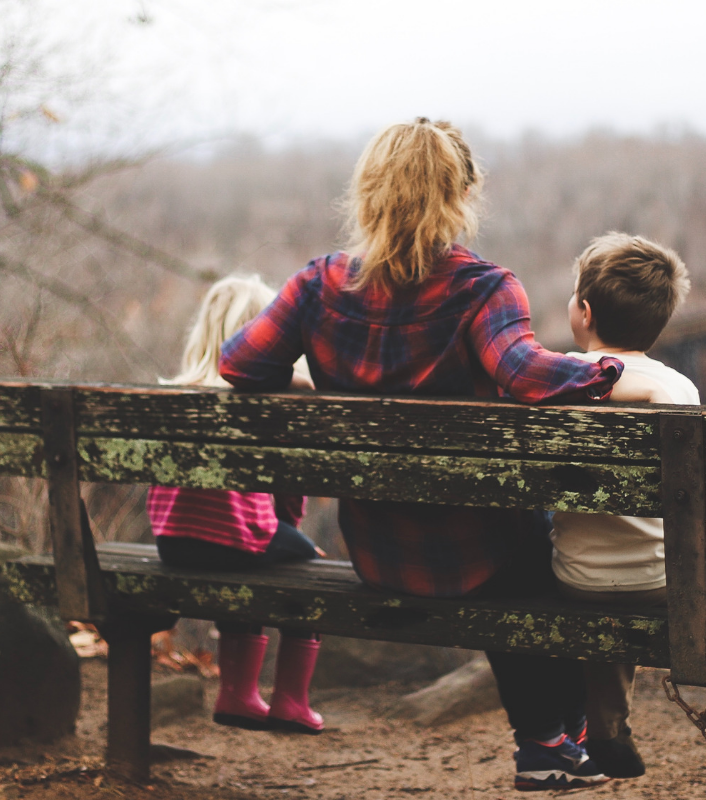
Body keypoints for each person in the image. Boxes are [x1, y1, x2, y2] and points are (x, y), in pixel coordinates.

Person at [218, 118, 668, 790]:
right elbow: (525, 375)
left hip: (377, 551)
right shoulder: (481, 288)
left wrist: (311, 380)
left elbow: (238, 364)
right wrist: (609, 372)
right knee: (553, 550)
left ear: (368, 191)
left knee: (523, 546)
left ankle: (558, 742)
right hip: (477, 554)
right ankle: (554, 741)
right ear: (461, 194)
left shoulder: (317, 286)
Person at [147, 274, 324, 735]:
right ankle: (289, 702)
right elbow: (286, 492)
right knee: (308, 568)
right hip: (233, 539)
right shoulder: (262, 400)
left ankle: (237, 694)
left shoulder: (174, 394)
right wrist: (293, 534)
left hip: (172, 543)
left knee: (248, 553)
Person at [550, 232, 698, 778]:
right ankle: (608, 727)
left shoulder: (558, 379)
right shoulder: (678, 388)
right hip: (665, 579)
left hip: (576, 576)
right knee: (645, 555)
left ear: (583, 312)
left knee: (610, 562)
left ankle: (607, 727)